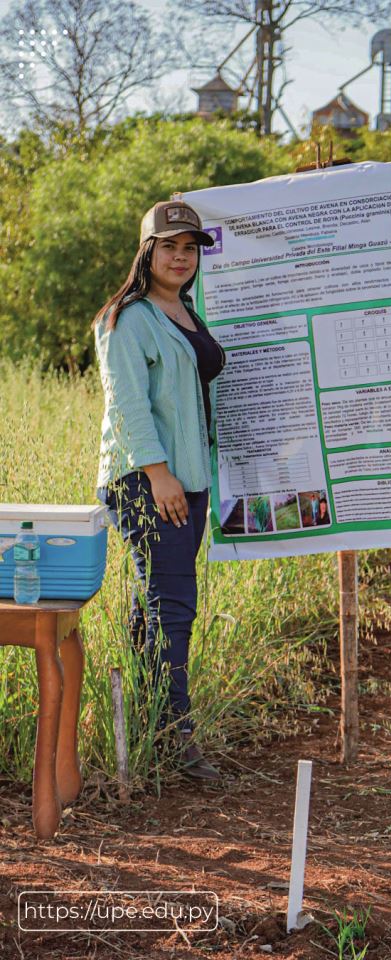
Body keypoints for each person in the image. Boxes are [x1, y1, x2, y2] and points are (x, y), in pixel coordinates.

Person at [94, 200, 225, 781]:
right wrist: (158, 472)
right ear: (147, 252)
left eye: (190, 247)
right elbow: (126, 403)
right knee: (173, 605)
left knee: (153, 605)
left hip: (185, 480)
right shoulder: (127, 318)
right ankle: (179, 738)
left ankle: (149, 728)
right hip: (147, 480)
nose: (180, 256)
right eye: (169, 246)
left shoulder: (187, 312)